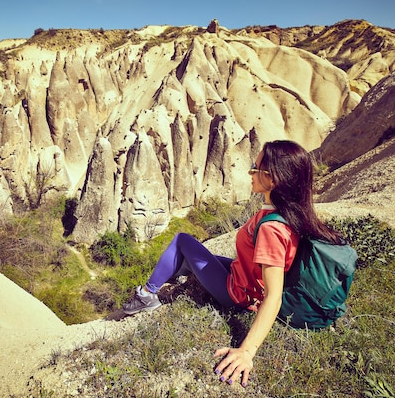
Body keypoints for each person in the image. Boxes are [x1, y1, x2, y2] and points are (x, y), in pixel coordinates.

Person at [122, 140, 344, 388]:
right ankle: (175, 276)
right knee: (190, 259)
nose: (250, 172)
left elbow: (274, 296)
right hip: (243, 276)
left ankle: (147, 295)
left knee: (181, 241)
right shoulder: (282, 212)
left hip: (237, 292)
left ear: (274, 179)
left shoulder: (272, 228)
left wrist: (246, 351)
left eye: (256, 167)